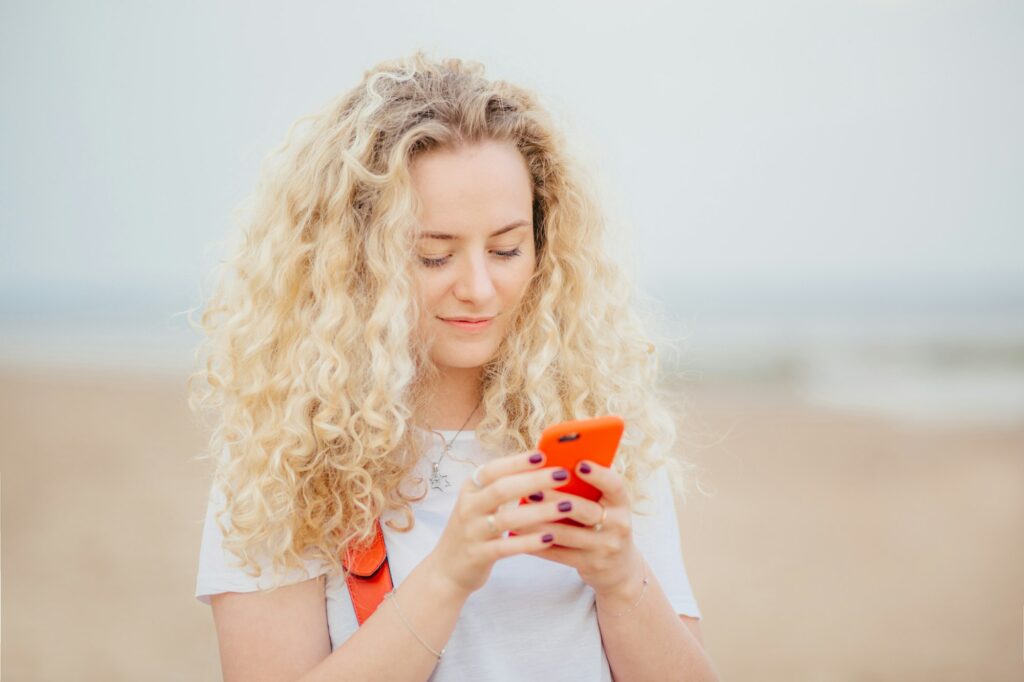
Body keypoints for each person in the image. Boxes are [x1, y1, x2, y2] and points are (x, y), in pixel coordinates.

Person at [189, 50, 720, 681]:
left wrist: (622, 576)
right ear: (354, 261)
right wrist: (448, 573)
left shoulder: (600, 432)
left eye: (505, 249)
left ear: (543, 247)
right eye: (433, 255)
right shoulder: (284, 461)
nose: (478, 287)